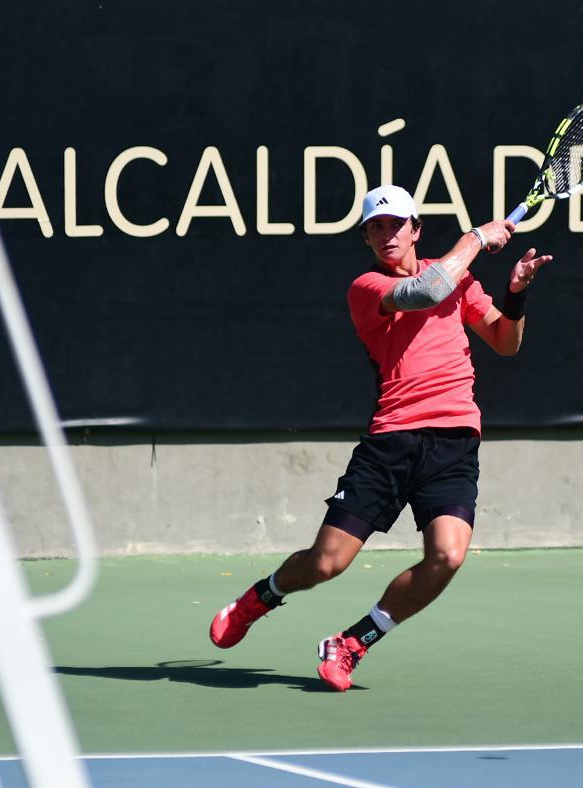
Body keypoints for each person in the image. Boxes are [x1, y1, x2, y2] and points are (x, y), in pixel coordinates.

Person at [209, 184, 552, 691]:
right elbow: (426, 291)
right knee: (326, 563)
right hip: (391, 442)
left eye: (396, 224)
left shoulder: (460, 278)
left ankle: (351, 643)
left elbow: (505, 342)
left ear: (416, 229)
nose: (387, 234)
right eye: (377, 227)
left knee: (448, 556)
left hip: (454, 439)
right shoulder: (367, 287)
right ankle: (262, 596)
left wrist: (517, 293)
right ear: (368, 239)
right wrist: (477, 237)